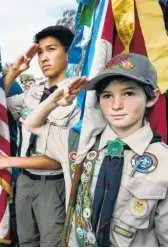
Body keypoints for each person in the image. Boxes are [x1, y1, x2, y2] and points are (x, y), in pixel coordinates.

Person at [23, 53, 168, 246]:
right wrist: (54, 101)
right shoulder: (80, 143)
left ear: (152, 97)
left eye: (129, 93)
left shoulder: (163, 162)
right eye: (107, 95)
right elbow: (33, 125)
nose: (116, 105)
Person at [0, 25, 76, 247]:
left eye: (51, 49)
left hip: (52, 184)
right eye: (40, 52)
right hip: (25, 180)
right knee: (26, 240)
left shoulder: (76, 96)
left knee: (51, 241)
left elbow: (59, 157)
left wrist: (7, 162)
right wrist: (15, 71)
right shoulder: (34, 92)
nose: (43, 58)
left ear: (69, 53)